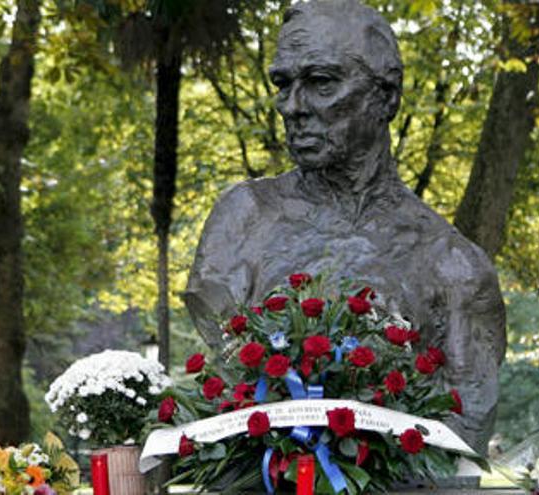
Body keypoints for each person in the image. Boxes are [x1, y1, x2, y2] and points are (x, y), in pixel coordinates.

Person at [184, 0, 505, 455]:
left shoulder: (455, 269)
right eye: (282, 84)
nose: (292, 107)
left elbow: (458, 443)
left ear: (387, 96)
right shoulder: (239, 222)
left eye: (320, 83)